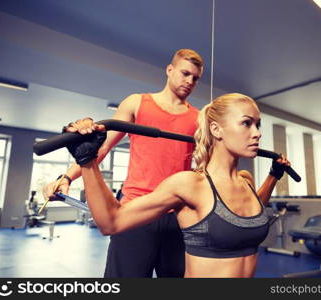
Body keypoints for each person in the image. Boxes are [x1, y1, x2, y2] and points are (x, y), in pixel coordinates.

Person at [64, 93, 290, 278]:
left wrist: (273, 176)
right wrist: (88, 162)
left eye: (258, 125)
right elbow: (111, 222)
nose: (257, 133)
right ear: (216, 130)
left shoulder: (245, 181)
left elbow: (252, 212)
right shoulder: (190, 185)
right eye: (246, 123)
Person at [42, 49, 204, 277]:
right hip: (135, 211)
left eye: (195, 78)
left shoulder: (198, 118)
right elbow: (101, 147)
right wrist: (67, 177)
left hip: (176, 215)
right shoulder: (137, 103)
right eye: (185, 73)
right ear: (170, 70)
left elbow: (204, 166)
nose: (190, 81)